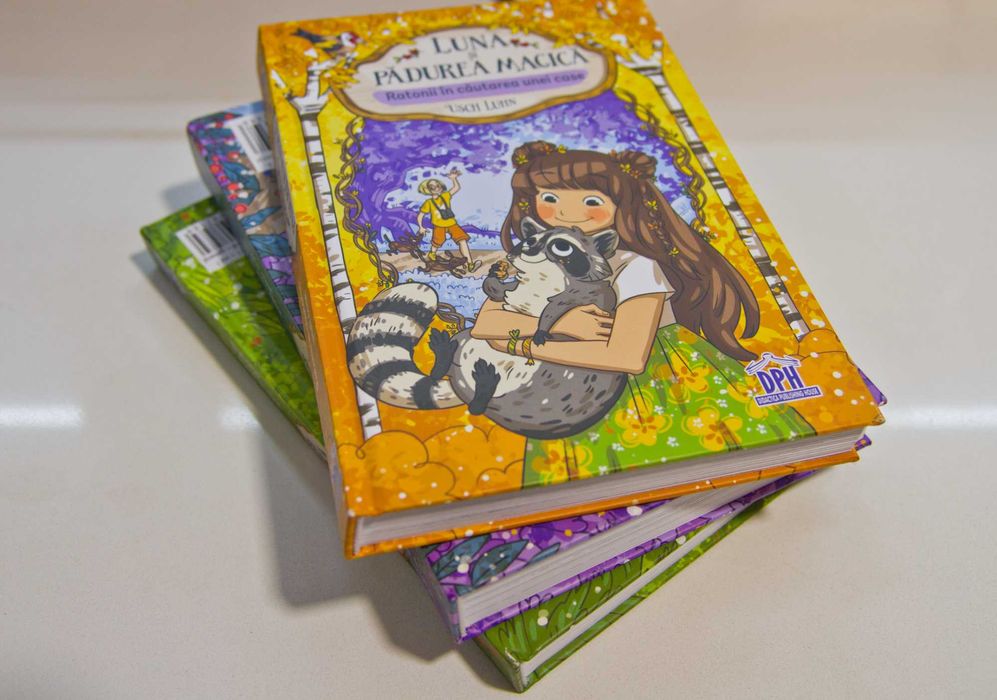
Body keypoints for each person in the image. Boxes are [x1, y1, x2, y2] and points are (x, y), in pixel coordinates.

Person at [470, 141, 814, 484]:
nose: (566, 212)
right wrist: (560, 323)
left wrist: (517, 344)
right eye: (550, 198)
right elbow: (486, 323)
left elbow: (626, 357)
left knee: (670, 466)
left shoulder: (634, 266)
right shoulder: (533, 255)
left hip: (656, 384)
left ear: (622, 205)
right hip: (566, 390)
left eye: (591, 202)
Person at [417, 168, 479, 273]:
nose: (437, 188)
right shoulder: (429, 203)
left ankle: (470, 263)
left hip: (451, 223)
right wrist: (421, 227)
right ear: (428, 190)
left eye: (438, 185)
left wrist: (454, 179)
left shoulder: (445, 196)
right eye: (433, 187)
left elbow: (456, 188)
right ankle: (432, 254)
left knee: (462, 240)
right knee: (437, 242)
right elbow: (420, 215)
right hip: (439, 225)